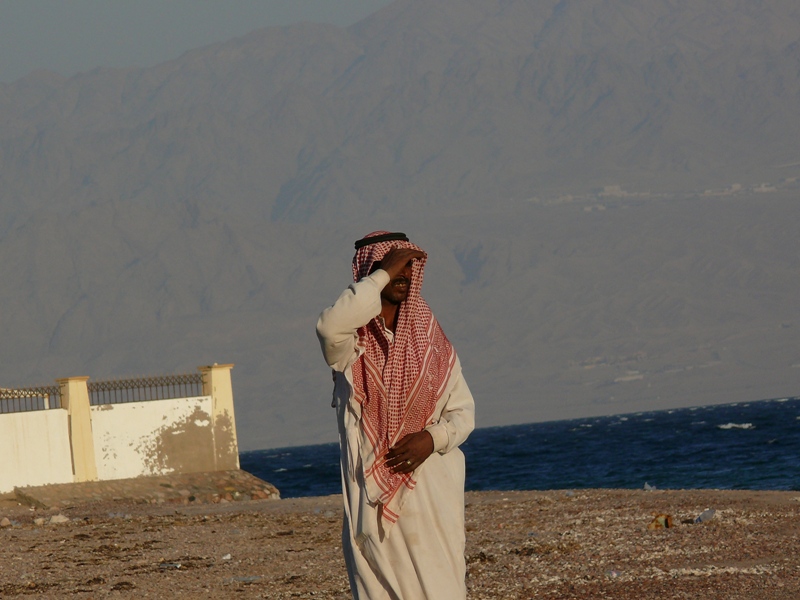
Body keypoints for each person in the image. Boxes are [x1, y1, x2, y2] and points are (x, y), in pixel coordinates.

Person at [316, 231, 476, 599]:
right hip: (369, 503)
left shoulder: (430, 341)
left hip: (431, 495)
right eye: (393, 266)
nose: (403, 273)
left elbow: (463, 413)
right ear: (370, 272)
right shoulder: (351, 345)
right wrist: (383, 274)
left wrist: (431, 439)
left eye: (408, 267)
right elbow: (328, 326)